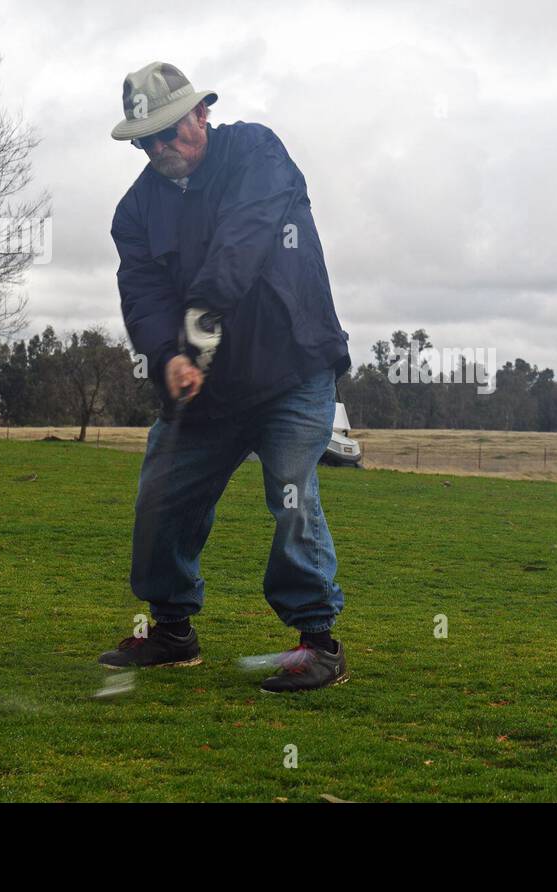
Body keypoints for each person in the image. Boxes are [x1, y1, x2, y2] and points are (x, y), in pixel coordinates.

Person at [98, 61, 352, 693]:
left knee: (292, 493)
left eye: (169, 133)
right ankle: (172, 632)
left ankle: (319, 644)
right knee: (161, 500)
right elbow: (143, 296)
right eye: (145, 141)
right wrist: (168, 356)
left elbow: (245, 239)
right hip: (207, 386)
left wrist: (202, 317)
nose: (159, 150)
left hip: (293, 366)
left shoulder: (256, 152)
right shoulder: (135, 212)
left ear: (200, 114)